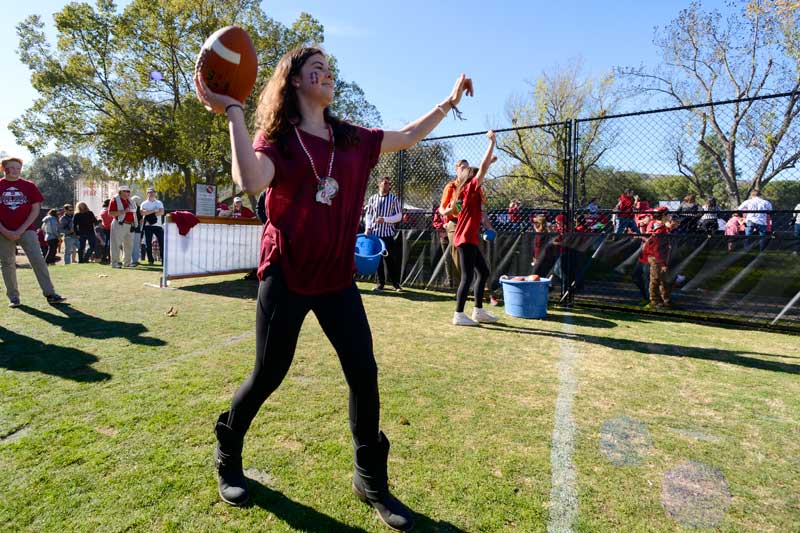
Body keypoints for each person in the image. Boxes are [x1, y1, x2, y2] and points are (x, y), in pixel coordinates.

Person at [195, 44, 474, 530]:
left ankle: (370, 479)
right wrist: (234, 111)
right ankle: (228, 446)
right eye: (315, 69)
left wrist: (448, 102)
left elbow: (408, 135)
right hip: (287, 274)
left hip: (336, 278)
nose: (326, 74)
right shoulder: (278, 139)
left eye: (328, 69)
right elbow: (250, 180)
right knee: (269, 374)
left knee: (364, 372)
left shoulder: (351, 138)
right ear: (296, 82)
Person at [443, 131, 499, 326]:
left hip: (469, 238)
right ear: (472, 178)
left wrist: (489, 162)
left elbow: (482, 168)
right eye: (477, 175)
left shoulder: (468, 190)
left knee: (483, 272)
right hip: (465, 238)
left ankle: (478, 311)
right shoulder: (472, 188)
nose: (481, 177)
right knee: (467, 277)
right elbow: (481, 168)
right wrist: (492, 142)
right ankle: (458, 315)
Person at [0, 156, 66, 307]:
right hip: (3, 232)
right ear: (4, 168)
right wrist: (5, 231)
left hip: (26, 230)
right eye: (12, 167)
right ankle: (13, 297)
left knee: (38, 260)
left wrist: (20, 229)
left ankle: (50, 294)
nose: (16, 171)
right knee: (7, 263)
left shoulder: (29, 186)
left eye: (18, 168)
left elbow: (35, 209)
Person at [364, 176, 403, 292]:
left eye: (388, 184)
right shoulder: (372, 199)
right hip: (375, 235)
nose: (387, 185)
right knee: (378, 261)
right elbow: (369, 215)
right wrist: (367, 228)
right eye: (385, 183)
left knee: (390, 260)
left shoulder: (393, 199)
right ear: (379, 184)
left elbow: (399, 216)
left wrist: (385, 219)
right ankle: (380, 284)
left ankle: (396, 284)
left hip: (387, 235)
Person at [438, 160, 469, 281]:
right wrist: (447, 211)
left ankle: (482, 291)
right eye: (462, 167)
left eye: (467, 168)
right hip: (455, 223)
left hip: (469, 223)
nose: (465, 170)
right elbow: (442, 208)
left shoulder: (471, 186)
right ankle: (459, 288)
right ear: (456, 169)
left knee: (473, 256)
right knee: (457, 255)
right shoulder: (451, 186)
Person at [643, 207, 672, 309]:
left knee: (662, 279)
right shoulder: (660, 229)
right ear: (663, 216)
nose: (670, 216)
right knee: (655, 279)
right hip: (657, 257)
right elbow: (656, 247)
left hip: (658, 256)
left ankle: (665, 300)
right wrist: (663, 263)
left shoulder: (655, 224)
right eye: (668, 214)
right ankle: (654, 301)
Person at [108, 185, 137, 268]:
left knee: (129, 245)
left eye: (128, 191)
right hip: (119, 224)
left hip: (130, 225)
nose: (127, 193)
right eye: (125, 191)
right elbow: (110, 213)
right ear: (120, 192)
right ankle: (115, 263)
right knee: (116, 244)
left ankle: (127, 263)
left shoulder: (130, 201)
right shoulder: (115, 200)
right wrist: (124, 211)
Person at [139, 187, 165, 264]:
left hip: (158, 226)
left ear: (155, 193)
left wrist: (148, 212)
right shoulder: (144, 203)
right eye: (149, 192)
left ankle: (163, 259)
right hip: (147, 226)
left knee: (162, 242)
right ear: (147, 194)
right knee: (148, 243)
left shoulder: (159, 202)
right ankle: (150, 260)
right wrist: (154, 211)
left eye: (153, 192)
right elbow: (142, 213)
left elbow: (162, 212)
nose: (151, 193)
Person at [130, 195, 144, 266]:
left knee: (129, 245)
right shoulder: (138, 208)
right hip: (137, 229)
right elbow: (141, 220)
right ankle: (134, 260)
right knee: (136, 246)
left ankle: (130, 260)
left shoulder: (129, 207)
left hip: (129, 228)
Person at [99, 199, 112, 264]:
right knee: (109, 244)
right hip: (110, 229)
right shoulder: (109, 211)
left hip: (104, 228)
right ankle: (109, 257)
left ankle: (104, 257)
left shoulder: (102, 210)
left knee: (106, 244)